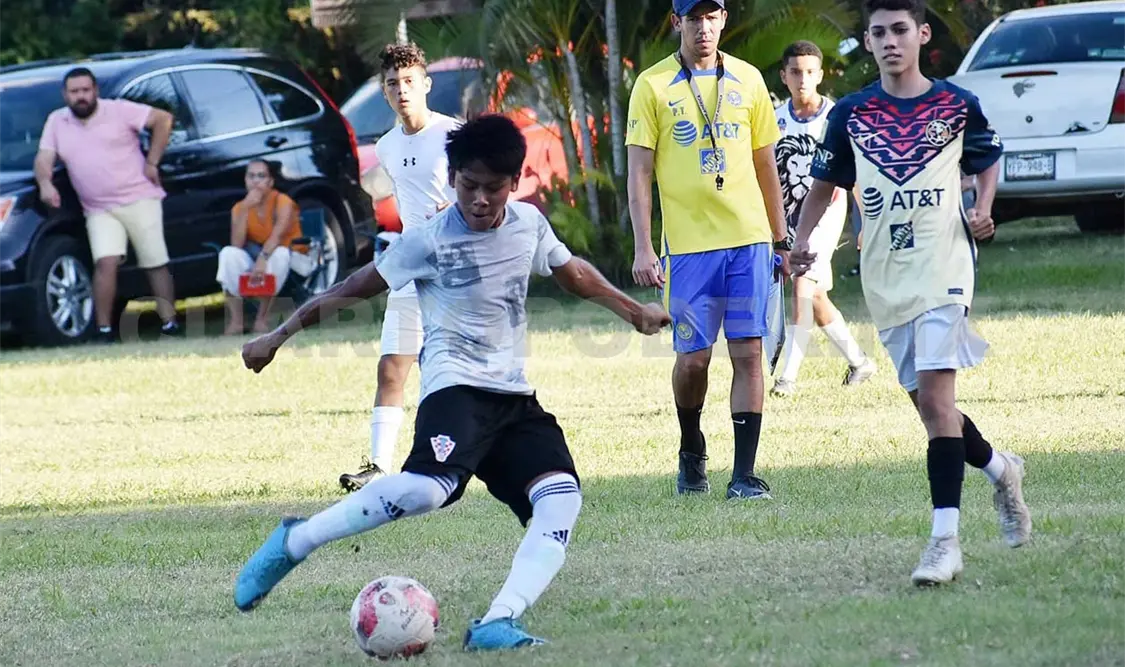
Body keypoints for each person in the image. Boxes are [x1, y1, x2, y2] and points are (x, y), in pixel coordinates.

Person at [233, 115, 671, 650]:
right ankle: (296, 540)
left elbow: (570, 271)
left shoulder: (529, 224)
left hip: (514, 398)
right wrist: (277, 335)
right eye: (468, 186)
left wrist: (634, 313)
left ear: (515, 182)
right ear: (454, 178)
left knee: (561, 500)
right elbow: (351, 288)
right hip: (454, 389)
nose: (480, 200)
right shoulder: (428, 239)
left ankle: (496, 622)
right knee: (425, 491)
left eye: (493, 188)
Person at [790, 0, 1032, 586]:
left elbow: (987, 160)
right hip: (885, 275)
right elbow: (823, 185)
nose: (890, 41)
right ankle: (1002, 470)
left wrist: (983, 207)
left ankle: (943, 542)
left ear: (922, 34)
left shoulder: (956, 103)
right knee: (931, 408)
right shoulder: (851, 113)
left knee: (937, 397)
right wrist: (798, 244)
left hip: (945, 270)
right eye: (879, 33)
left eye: (901, 29)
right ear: (868, 43)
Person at [626, 0, 790, 500]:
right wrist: (643, 246)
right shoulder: (651, 85)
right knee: (693, 360)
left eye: (711, 16)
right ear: (677, 22)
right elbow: (639, 173)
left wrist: (781, 238)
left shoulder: (748, 80)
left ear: (723, 20)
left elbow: (766, 165)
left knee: (749, 353)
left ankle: (743, 475)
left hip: (749, 240)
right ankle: (691, 446)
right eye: (693, 18)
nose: (703, 27)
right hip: (690, 249)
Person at [338, 42, 461, 493]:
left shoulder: (453, 134)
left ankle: (450, 458)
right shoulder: (388, 147)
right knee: (392, 366)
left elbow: (481, 189)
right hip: (411, 267)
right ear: (384, 91)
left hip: (454, 270)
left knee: (446, 371)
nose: (402, 90)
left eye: (410, 81)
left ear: (425, 85)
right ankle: (378, 464)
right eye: (393, 83)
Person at [34, 67, 180, 343]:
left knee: (155, 261)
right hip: (98, 208)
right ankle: (103, 330)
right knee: (105, 262)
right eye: (75, 92)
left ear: (95, 91)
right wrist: (45, 183)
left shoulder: (119, 110)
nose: (81, 97)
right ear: (65, 95)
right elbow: (44, 158)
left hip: (139, 198)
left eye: (86, 90)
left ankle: (170, 323)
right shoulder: (57, 121)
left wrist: (152, 161)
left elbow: (163, 119)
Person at [771, 40, 876, 397]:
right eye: (795, 72)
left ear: (821, 75)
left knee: (802, 284)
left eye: (810, 72)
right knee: (814, 297)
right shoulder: (775, 120)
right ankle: (859, 361)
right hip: (789, 215)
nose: (803, 79)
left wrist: (865, 221)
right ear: (784, 76)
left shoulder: (835, 116)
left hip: (826, 211)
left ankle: (787, 377)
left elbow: (856, 171)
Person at [216, 160, 301, 335]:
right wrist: (245, 209)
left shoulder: (282, 201)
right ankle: (237, 321)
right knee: (227, 254)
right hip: (254, 255)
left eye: (261, 176)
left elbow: (278, 236)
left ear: (270, 182)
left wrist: (263, 259)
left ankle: (262, 319)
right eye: (251, 176)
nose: (256, 181)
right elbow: (237, 245)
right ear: (245, 180)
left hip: (288, 254)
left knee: (280, 255)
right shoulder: (240, 207)